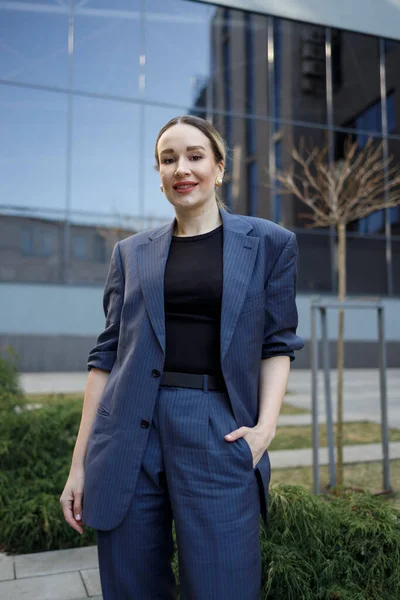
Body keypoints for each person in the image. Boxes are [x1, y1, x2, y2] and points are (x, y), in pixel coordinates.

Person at [60, 115, 304, 599]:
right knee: (132, 587)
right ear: (159, 173)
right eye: (168, 159)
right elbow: (106, 355)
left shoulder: (270, 244)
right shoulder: (130, 253)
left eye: (194, 155)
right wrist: (79, 463)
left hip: (217, 424)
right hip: (128, 429)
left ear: (219, 167)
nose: (181, 168)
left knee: (223, 586)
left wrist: (265, 429)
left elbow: (278, 343)